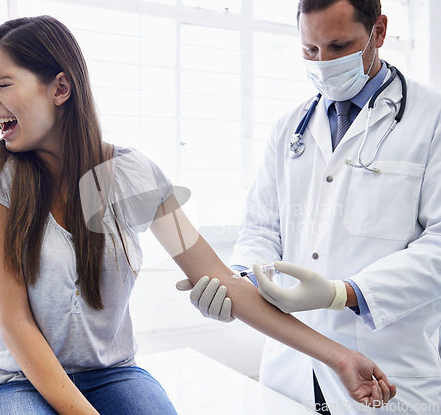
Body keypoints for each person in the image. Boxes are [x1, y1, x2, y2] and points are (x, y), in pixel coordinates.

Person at [0, 15, 395, 415]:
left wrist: (340, 357)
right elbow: (15, 321)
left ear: (60, 89)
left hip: (108, 373)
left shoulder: (134, 176)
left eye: (2, 83)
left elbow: (222, 280)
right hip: (15, 380)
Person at [181, 0, 441, 414]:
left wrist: (346, 294)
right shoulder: (290, 127)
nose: (323, 63)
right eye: (310, 51)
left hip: (390, 369)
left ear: (378, 31)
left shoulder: (431, 119)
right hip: (291, 371)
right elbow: (262, 229)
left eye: (338, 46)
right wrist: (241, 283)